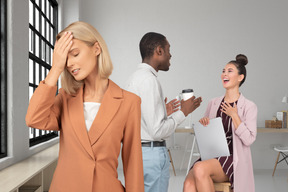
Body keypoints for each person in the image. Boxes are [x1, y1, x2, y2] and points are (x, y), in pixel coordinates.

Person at [26, 21, 144, 192]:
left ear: (96, 48)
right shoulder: (65, 98)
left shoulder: (129, 102)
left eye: (74, 54)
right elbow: (33, 119)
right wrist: (55, 69)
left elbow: (133, 163)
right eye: (65, 59)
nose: (69, 64)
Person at [125, 32, 202, 192]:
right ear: (159, 51)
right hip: (151, 155)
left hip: (137, 153)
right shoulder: (149, 80)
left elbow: (140, 121)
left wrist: (164, 113)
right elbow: (157, 131)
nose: (170, 54)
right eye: (168, 49)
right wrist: (183, 112)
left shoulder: (134, 78)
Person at [183, 54, 257, 192]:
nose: (224, 74)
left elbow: (249, 139)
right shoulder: (214, 103)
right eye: (223, 71)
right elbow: (206, 133)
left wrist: (235, 116)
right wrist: (204, 123)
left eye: (230, 71)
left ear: (240, 77)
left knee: (199, 168)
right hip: (212, 156)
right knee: (188, 184)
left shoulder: (249, 106)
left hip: (234, 159)